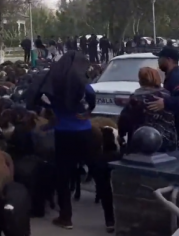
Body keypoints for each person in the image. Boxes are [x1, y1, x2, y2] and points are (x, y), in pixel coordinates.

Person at [37, 51, 114, 232]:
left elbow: (39, 96)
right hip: (86, 132)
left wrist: (52, 109)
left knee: (63, 177)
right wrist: (87, 112)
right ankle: (110, 219)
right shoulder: (81, 83)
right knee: (100, 175)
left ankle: (66, 217)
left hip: (63, 134)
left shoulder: (53, 82)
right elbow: (91, 97)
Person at [120, 67, 179, 153]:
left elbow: (124, 121)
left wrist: (121, 135)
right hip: (167, 141)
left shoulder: (136, 99)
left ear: (141, 80)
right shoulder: (167, 96)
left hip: (142, 143)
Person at [156, 46, 179, 147]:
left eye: (160, 58)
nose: (158, 61)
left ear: (169, 59)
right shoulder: (171, 76)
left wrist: (165, 103)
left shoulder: (178, 77)